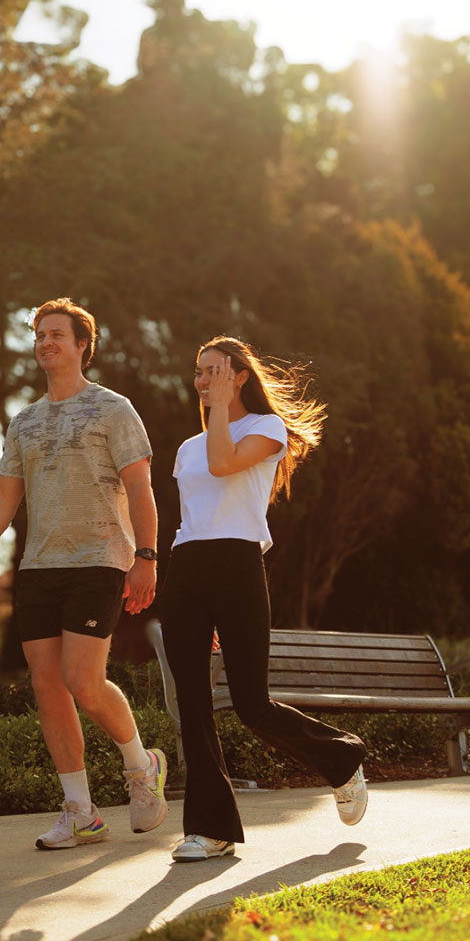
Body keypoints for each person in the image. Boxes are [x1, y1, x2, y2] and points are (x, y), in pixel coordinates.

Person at [0, 298, 169, 851]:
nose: (45, 342)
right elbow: (5, 497)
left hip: (99, 560)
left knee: (83, 683)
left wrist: (147, 557)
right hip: (39, 566)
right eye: (39, 335)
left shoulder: (112, 409)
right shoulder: (24, 421)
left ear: (80, 346)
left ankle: (142, 767)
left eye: (56, 334)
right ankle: (80, 811)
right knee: (48, 687)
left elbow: (141, 488)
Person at [161, 336, 368, 863]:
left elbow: (227, 465)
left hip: (237, 565)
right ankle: (211, 828)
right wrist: (187, 588)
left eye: (215, 371)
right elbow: (193, 516)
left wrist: (224, 408)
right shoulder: (188, 447)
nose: (203, 381)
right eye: (200, 372)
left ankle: (341, 756)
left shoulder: (265, 430)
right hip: (187, 566)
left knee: (252, 704)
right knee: (192, 700)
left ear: (240, 377)